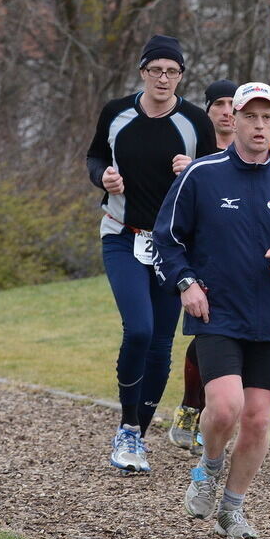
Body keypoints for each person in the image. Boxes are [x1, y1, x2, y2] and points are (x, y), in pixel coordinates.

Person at [152, 81, 270, 539]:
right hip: (216, 311)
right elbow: (167, 239)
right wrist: (185, 284)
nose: (259, 125)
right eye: (250, 117)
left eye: (267, 117)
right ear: (235, 120)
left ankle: (232, 508)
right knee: (225, 409)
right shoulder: (201, 175)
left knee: (259, 418)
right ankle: (208, 469)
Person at [86, 34, 216, 473]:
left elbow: (214, 177)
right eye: (156, 70)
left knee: (161, 343)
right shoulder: (116, 112)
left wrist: (193, 168)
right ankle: (126, 425)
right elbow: (95, 156)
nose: (163, 78)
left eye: (172, 71)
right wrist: (102, 177)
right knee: (138, 330)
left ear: (181, 76)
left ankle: (136, 436)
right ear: (142, 72)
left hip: (171, 245)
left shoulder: (194, 122)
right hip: (122, 235)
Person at [168, 79, 238, 455]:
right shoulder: (193, 149)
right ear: (207, 110)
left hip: (242, 256)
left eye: (232, 104)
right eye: (219, 104)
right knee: (206, 334)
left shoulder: (252, 148)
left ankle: (206, 414)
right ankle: (191, 408)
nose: (227, 112)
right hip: (201, 255)